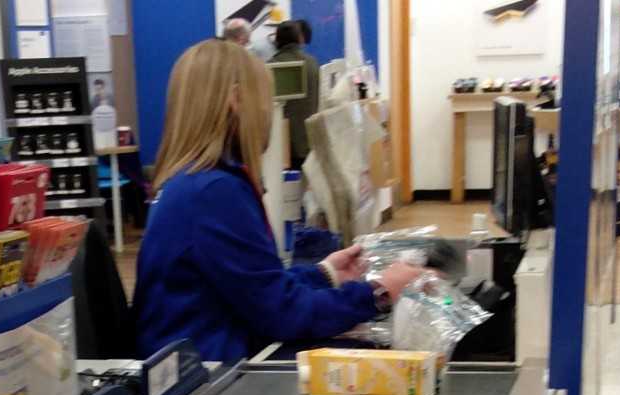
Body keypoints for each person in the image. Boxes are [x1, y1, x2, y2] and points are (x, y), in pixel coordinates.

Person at [133, 39, 424, 364]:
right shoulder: (214, 192)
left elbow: (256, 286)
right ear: (235, 100)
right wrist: (379, 294)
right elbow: (283, 313)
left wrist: (326, 274)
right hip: (212, 374)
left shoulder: (192, 183)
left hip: (199, 359)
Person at [270, 21, 321, 168]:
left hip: (282, 146)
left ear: (277, 40)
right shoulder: (312, 63)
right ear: (300, 39)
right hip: (308, 141)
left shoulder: (271, 66)